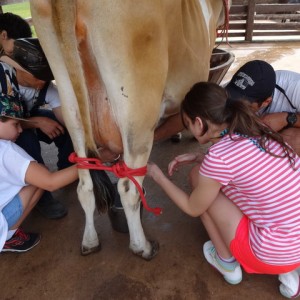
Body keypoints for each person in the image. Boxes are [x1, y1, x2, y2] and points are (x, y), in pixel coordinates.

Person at [147, 82, 300, 298]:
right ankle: (292, 273)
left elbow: (192, 208)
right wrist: (200, 157)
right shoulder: (257, 127)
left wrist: (157, 176)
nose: (189, 128)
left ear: (199, 123)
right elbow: (249, 166)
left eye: (187, 123)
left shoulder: (219, 157)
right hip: (296, 241)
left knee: (197, 179)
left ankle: (227, 263)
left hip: (273, 253)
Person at [0, 79, 79, 253]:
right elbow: (50, 182)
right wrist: (94, 161)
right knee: (39, 178)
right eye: (15, 124)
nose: (20, 129)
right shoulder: (6, 150)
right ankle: (7, 237)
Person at [0, 38, 74, 219]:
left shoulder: (47, 88)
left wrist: (79, 132)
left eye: (47, 76)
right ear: (20, 69)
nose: (43, 81)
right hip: (10, 128)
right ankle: (43, 197)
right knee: (28, 140)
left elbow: (64, 116)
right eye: (38, 76)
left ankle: (69, 168)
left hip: (21, 121)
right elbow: (5, 122)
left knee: (65, 128)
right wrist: (37, 123)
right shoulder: (4, 80)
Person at [225, 60, 300, 155]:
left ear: (266, 102)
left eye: (246, 105)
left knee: (294, 140)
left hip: (291, 127)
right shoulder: (227, 91)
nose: (237, 106)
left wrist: (287, 118)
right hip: (268, 130)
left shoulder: (296, 88)